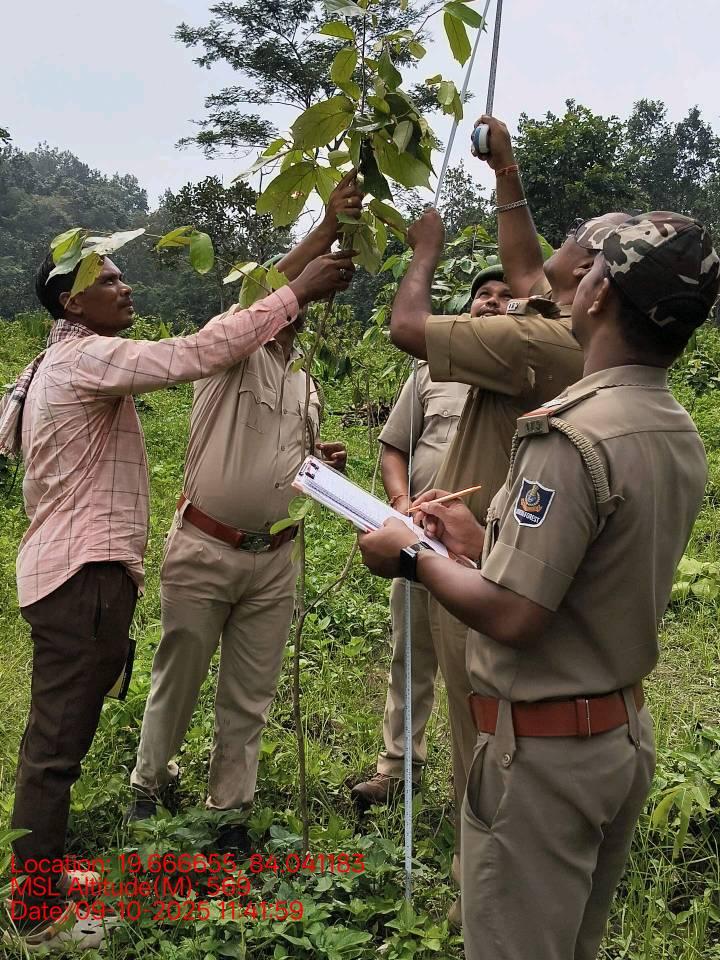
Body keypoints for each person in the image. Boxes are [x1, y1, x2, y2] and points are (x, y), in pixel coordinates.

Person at [358, 211, 720, 960]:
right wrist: (481, 543)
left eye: (589, 268)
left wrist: (414, 557)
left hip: (543, 760)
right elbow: (589, 571)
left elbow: (516, 615)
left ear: (600, 295)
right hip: (616, 737)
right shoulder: (672, 426)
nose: (570, 279)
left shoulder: (570, 435)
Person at [2, 224, 355, 951]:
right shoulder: (86, 357)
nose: (125, 286)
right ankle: (36, 914)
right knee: (54, 750)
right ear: (71, 302)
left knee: (60, 736)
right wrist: (296, 289)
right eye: (107, 280)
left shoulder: (56, 362)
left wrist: (320, 236)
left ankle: (47, 874)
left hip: (80, 574)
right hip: (81, 574)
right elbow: (199, 351)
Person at [124, 175, 364, 849]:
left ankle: (230, 807)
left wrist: (319, 465)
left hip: (274, 558)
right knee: (180, 673)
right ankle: (149, 782)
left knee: (250, 691)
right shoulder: (230, 351)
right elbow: (257, 297)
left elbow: (287, 459)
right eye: (290, 299)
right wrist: (324, 230)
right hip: (206, 547)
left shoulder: (305, 381)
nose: (297, 308)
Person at [388, 166, 600, 904]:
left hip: (483, 562)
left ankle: (481, 886)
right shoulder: (566, 328)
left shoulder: (539, 342)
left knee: (480, 732)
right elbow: (528, 267)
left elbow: (405, 327)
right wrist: (505, 169)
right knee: (477, 723)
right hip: (481, 549)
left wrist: (425, 252)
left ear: (594, 282)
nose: (552, 249)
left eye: (575, 242)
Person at [351, 267, 511, 808]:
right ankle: (398, 768)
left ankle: (479, 783)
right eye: (482, 295)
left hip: (486, 549)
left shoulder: (526, 378)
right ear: (467, 308)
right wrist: (401, 505)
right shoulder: (430, 373)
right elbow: (395, 446)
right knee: (411, 655)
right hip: (419, 538)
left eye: (504, 296)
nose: (491, 302)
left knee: (479, 666)